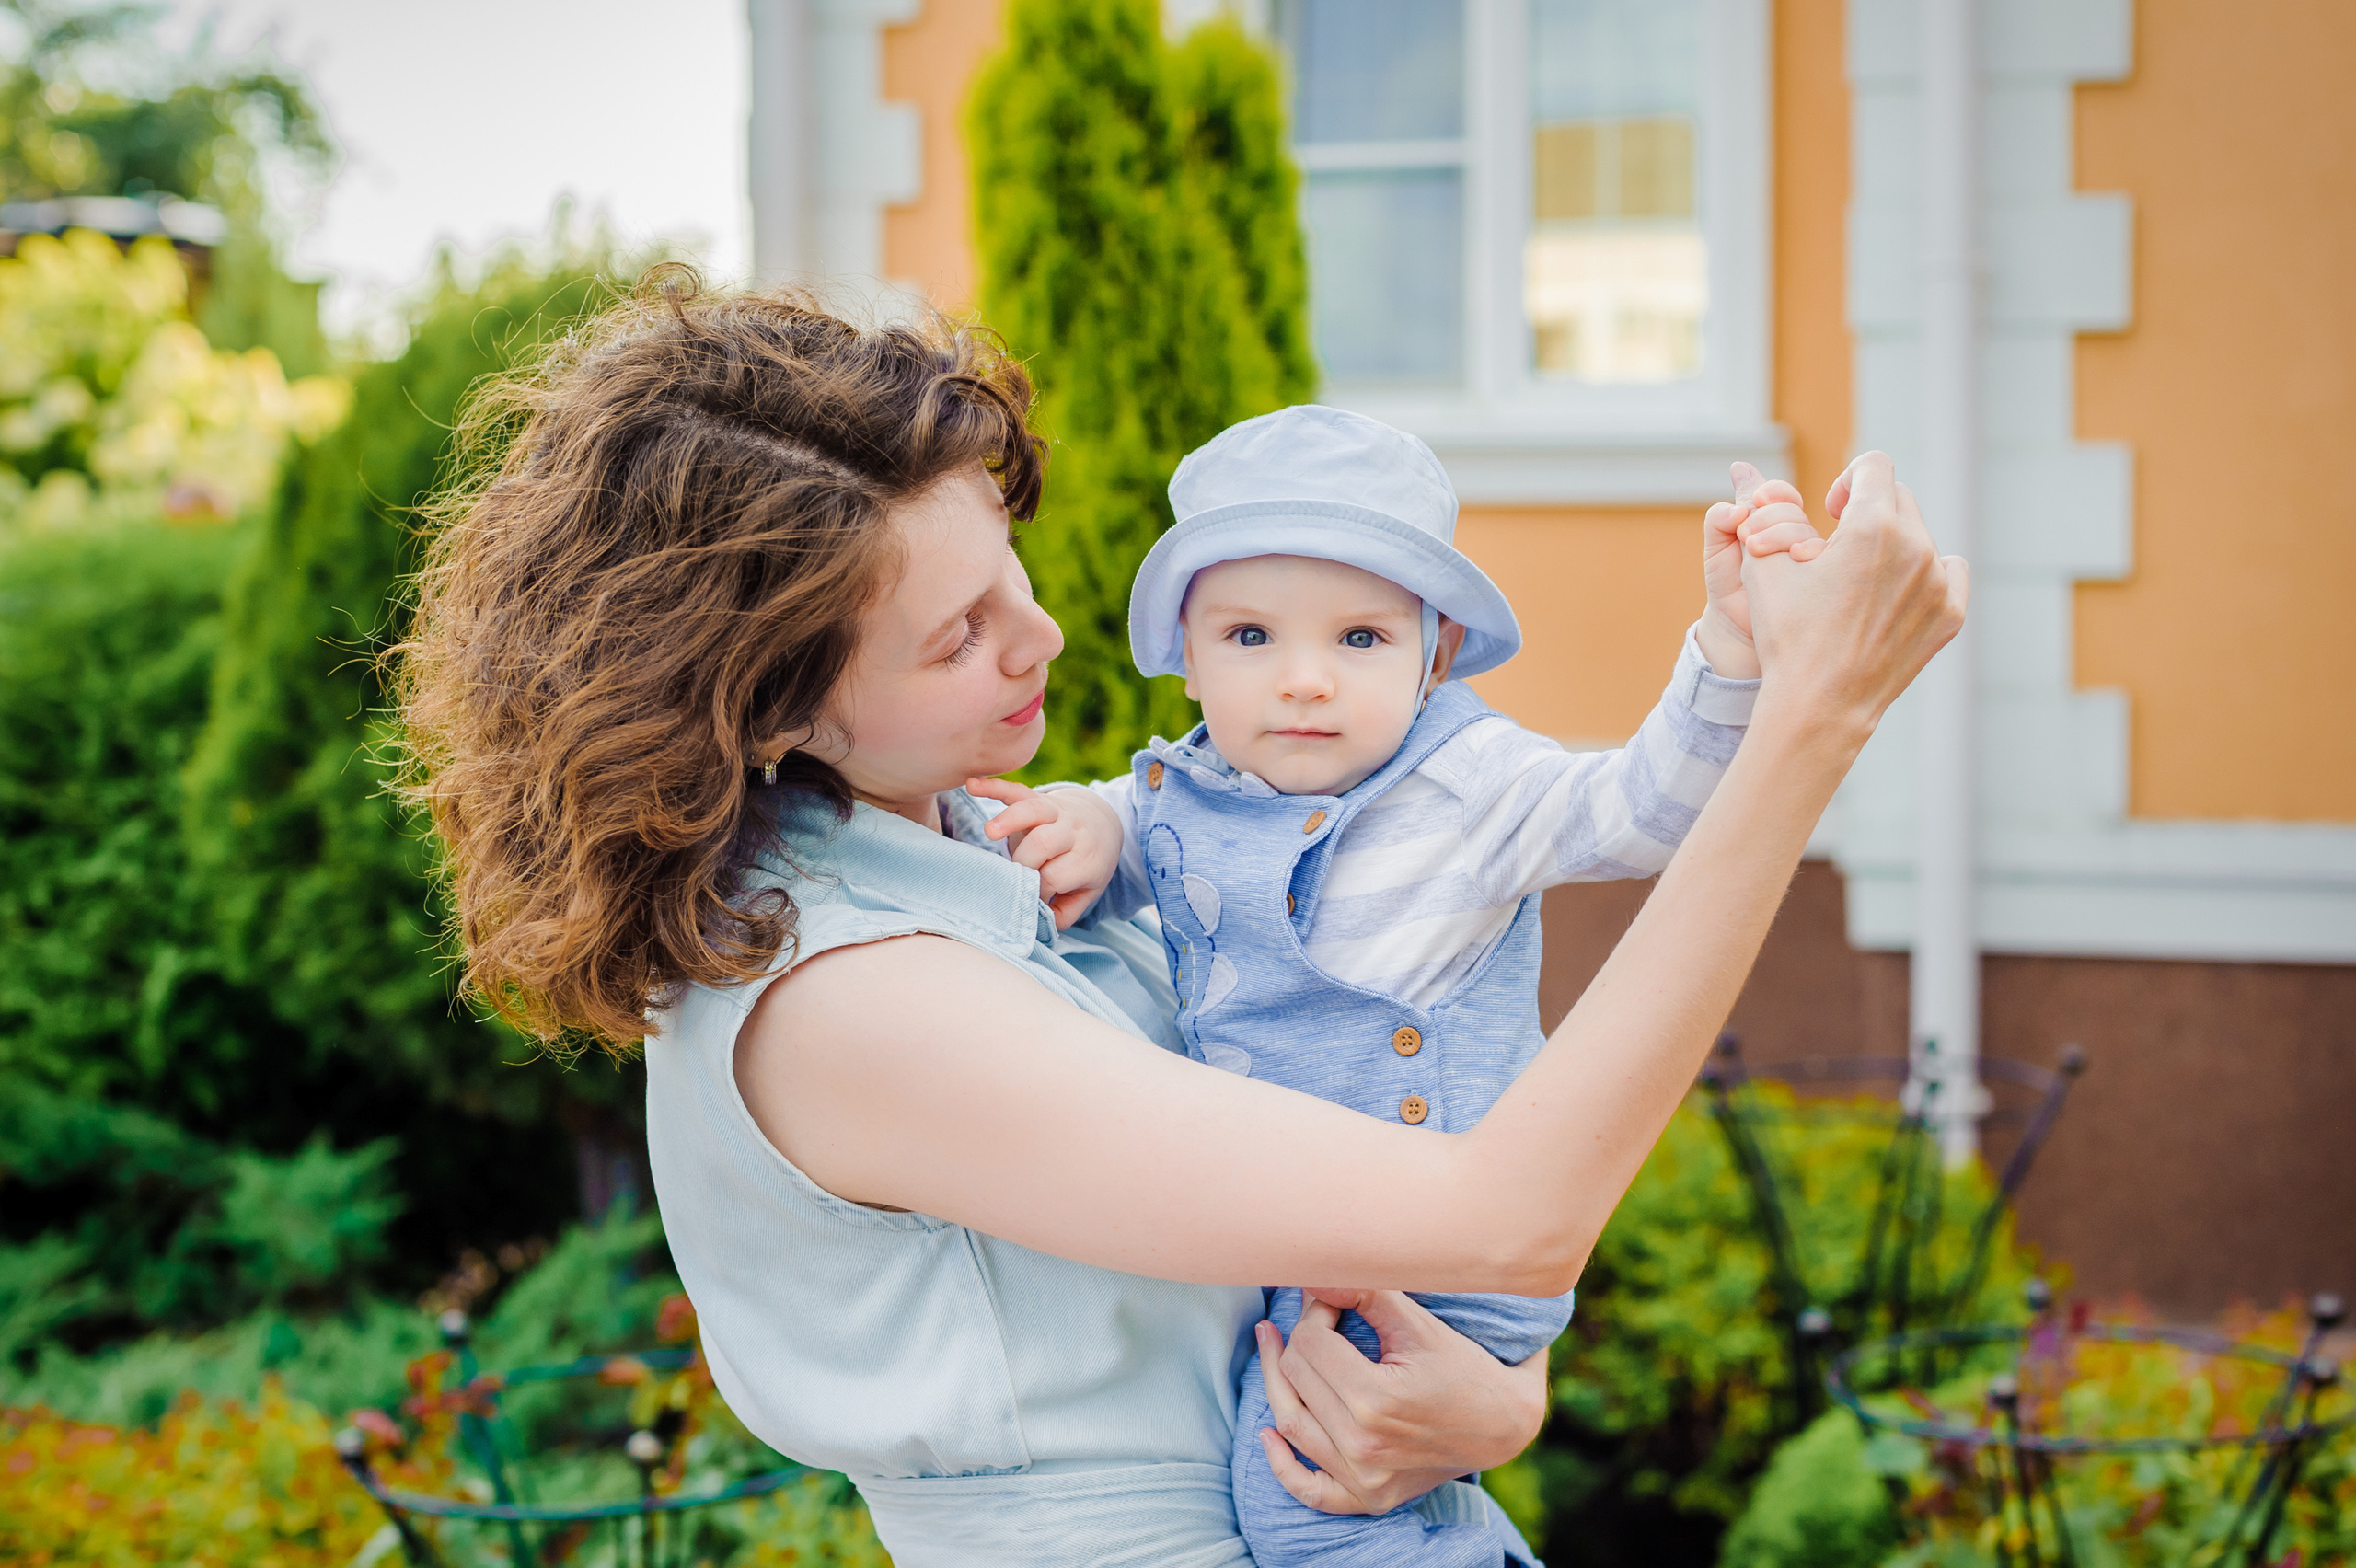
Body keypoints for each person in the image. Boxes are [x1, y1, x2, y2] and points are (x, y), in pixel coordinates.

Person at [395, 277, 1963, 1568]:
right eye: (960, 634)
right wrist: (1811, 717)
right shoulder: (847, 999)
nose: (1046, 635)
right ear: (774, 709)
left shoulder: (1021, 852)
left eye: (1010, 572)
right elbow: (1510, 1211)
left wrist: (1487, 1407)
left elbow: (1412, 1237)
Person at [961, 404, 1822, 1568]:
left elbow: (1643, 810)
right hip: (1306, 1239)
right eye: (1250, 637)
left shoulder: (1471, 785)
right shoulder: (1183, 788)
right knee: (1346, 1487)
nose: (1303, 681)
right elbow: (1133, 826)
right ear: (1189, 651)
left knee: (1299, 1503)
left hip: (1442, 1252)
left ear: (1437, 652)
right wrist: (1084, 828)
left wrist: (1730, 646)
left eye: (1359, 639)